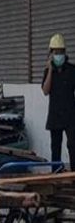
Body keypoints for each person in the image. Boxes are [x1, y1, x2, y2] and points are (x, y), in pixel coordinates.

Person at [42, 34, 75, 170]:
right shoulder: (48, 71)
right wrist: (50, 70)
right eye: (56, 52)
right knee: (55, 146)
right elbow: (45, 90)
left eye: (61, 52)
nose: (59, 55)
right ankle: (55, 174)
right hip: (55, 114)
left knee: (73, 145)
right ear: (51, 54)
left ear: (65, 52)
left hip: (70, 114)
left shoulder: (72, 70)